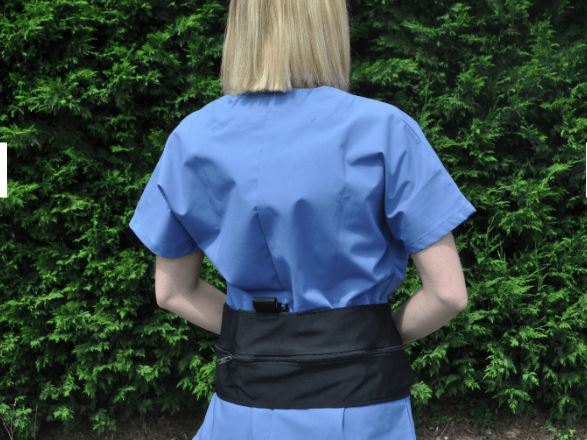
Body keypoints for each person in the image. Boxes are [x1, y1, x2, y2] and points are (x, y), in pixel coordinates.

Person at [128, 0, 477, 438]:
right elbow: (447, 294)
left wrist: (269, 339)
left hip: (243, 407)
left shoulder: (193, 138)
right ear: (328, 24)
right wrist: (359, 339)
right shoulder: (384, 130)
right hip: (361, 406)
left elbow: (172, 291)